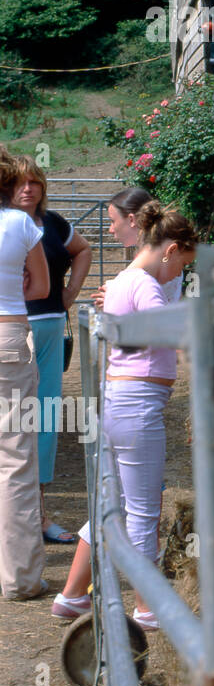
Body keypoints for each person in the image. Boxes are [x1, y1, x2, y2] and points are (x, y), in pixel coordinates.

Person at [53, 201, 197, 629]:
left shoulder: (120, 282)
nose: (178, 275)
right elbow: (170, 333)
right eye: (182, 264)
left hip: (119, 402)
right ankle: (148, 607)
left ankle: (72, 596)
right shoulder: (147, 284)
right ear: (170, 250)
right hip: (138, 406)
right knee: (142, 510)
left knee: (110, 504)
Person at [13, 157, 92, 544]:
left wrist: (71, 292)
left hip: (50, 329)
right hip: (11, 330)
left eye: (35, 182)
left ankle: (41, 516)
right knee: (12, 423)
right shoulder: (6, 225)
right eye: (21, 182)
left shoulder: (55, 224)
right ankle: (14, 519)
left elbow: (83, 250)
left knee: (44, 420)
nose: (28, 189)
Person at [0, 146, 52, 600]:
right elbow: (41, 287)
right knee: (15, 460)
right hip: (9, 336)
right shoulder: (20, 224)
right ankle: (19, 578)